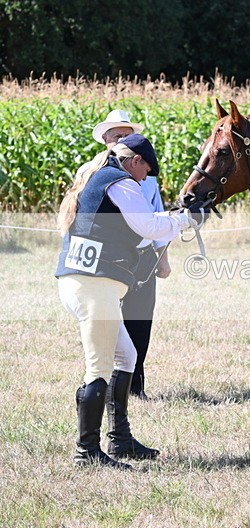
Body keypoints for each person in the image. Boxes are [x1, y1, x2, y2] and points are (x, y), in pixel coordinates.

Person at [56, 134, 207, 468]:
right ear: (135, 161)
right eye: (146, 170)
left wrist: (180, 216)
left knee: (126, 356)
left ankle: (120, 440)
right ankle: (87, 452)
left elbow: (144, 229)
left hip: (88, 283)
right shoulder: (122, 183)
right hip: (93, 287)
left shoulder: (105, 177)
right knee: (98, 368)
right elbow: (148, 225)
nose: (146, 178)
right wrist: (186, 218)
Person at [84, 110, 166, 399]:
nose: (122, 140)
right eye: (116, 136)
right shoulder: (91, 173)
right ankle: (102, 384)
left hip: (142, 256)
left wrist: (162, 258)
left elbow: (157, 216)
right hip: (106, 257)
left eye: (126, 135)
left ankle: (135, 385)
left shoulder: (147, 177)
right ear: (106, 140)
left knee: (140, 319)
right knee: (105, 321)